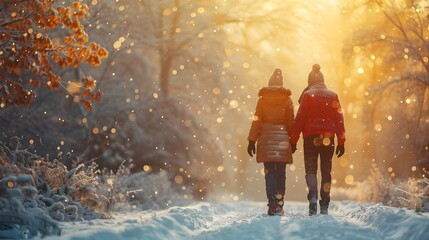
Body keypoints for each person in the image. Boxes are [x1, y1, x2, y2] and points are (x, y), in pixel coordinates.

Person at [290, 64, 346, 216]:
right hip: (328, 138)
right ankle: (325, 203)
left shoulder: (307, 96)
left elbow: (299, 119)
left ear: (309, 81)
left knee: (311, 170)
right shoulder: (333, 95)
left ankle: (313, 198)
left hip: (310, 137)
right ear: (323, 80)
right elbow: (339, 119)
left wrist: (293, 141)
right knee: (326, 171)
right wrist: (341, 142)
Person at [247, 68, 294, 216]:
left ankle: (272, 203)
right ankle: (279, 204)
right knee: (281, 173)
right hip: (282, 141)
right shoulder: (287, 100)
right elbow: (291, 122)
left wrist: (251, 140)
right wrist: (293, 142)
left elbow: (257, 120)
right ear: (281, 84)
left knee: (269, 173)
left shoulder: (262, 100)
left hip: (266, 139)